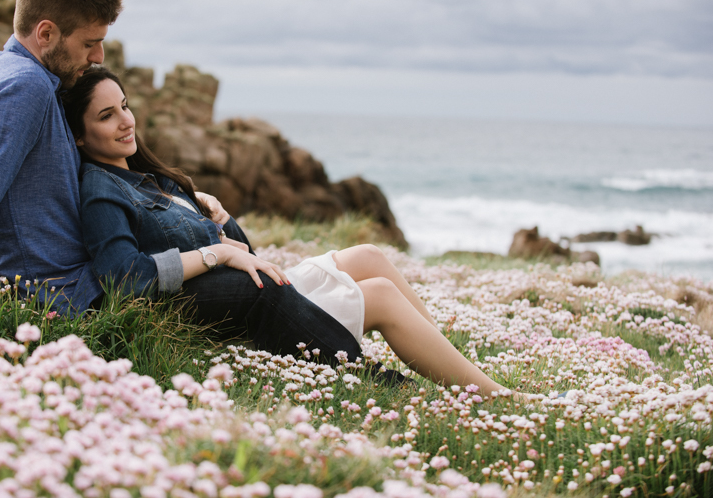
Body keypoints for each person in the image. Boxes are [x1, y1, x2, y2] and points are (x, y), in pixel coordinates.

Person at [0, 0, 371, 374]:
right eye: (89, 44)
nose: (98, 57)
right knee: (259, 288)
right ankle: (374, 379)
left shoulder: (19, 76)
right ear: (46, 33)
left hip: (85, 283)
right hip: (73, 302)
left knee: (252, 276)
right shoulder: (25, 88)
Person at [68, 67, 518, 399]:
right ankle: (493, 395)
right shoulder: (101, 190)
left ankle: (454, 366)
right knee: (377, 292)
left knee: (371, 257)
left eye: (125, 106)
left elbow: (241, 248)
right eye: (107, 116)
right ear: (82, 137)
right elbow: (123, 279)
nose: (125, 121)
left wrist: (214, 215)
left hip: (255, 284)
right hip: (235, 312)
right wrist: (216, 255)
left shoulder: (151, 179)